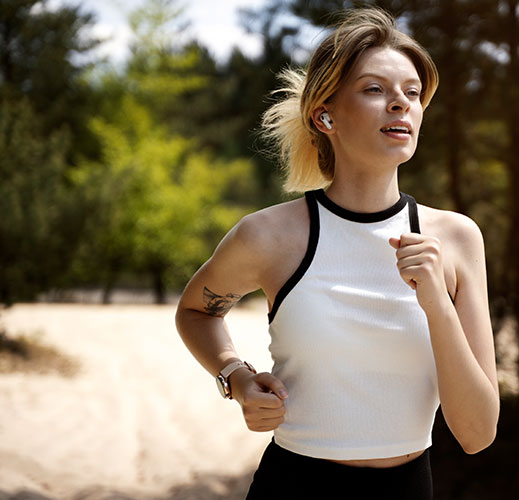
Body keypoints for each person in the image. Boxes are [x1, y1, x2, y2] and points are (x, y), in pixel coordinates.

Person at [175, 7, 499, 499]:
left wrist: (436, 304)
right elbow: (196, 310)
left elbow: (477, 434)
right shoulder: (270, 236)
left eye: (412, 94)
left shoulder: (455, 239)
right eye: (375, 90)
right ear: (325, 114)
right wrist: (236, 379)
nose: (400, 105)